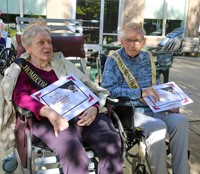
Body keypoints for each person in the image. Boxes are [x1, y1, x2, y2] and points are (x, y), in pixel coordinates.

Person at [0, 18, 123, 174]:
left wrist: (95, 107)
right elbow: (20, 97)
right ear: (28, 48)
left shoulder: (62, 64)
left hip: (83, 115)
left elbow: (88, 88)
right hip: (48, 121)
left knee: (111, 141)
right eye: (41, 43)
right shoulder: (22, 69)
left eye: (49, 42)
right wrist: (49, 112)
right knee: (74, 152)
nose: (47, 46)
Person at [101, 22, 189, 174]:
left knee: (181, 120)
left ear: (143, 42)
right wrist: (140, 93)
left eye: (137, 40)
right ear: (122, 41)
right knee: (158, 127)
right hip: (131, 111)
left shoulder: (148, 57)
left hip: (155, 108)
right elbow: (108, 90)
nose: (132, 44)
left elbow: (156, 87)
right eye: (128, 40)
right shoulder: (113, 60)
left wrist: (169, 103)